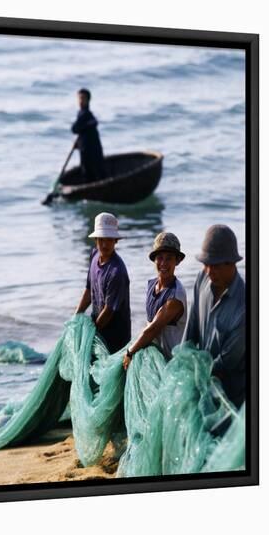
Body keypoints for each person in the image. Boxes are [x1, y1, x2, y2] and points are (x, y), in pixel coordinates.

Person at [183, 225, 245, 408]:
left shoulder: (243, 308)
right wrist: (183, 363)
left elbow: (225, 364)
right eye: (206, 264)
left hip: (229, 397)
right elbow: (190, 331)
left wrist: (196, 377)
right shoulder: (202, 278)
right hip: (200, 382)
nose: (209, 271)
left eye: (215, 266)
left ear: (231, 263)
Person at [123, 233, 187, 370]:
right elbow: (148, 324)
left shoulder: (176, 295)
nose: (163, 263)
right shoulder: (152, 284)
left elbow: (153, 329)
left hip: (170, 362)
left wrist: (130, 352)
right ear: (154, 260)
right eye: (160, 258)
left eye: (169, 258)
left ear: (177, 261)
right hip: (154, 357)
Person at [75, 212, 131, 354]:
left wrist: (91, 335)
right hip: (99, 329)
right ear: (95, 240)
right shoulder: (94, 255)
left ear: (115, 241)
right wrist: (77, 315)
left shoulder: (116, 272)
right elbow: (89, 289)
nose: (104, 244)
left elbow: (109, 310)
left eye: (109, 240)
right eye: (101, 240)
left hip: (116, 339)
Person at [71, 88, 105, 182]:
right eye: (79, 99)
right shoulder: (83, 114)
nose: (80, 101)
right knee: (90, 170)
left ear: (88, 100)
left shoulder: (86, 114)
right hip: (86, 148)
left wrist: (83, 128)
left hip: (90, 148)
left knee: (91, 170)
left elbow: (74, 129)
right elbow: (79, 129)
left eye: (83, 99)